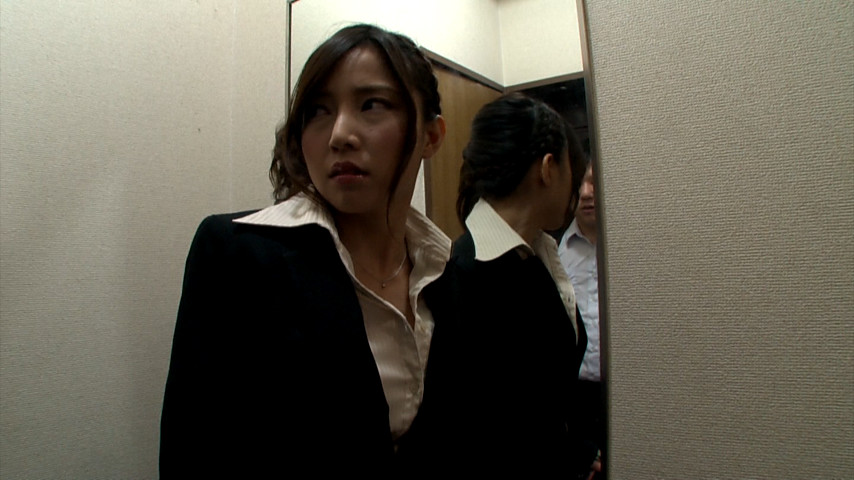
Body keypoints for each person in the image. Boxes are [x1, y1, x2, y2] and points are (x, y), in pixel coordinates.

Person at [159, 24, 448, 477]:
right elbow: (192, 453)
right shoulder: (237, 255)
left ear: (431, 136)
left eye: (372, 104)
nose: (340, 134)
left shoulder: (449, 273)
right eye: (318, 111)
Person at [402, 93, 597, 478]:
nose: (576, 189)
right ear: (548, 169)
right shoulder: (457, 280)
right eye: (573, 172)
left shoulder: (537, 252)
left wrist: (576, 450)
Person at [558, 160, 605, 477]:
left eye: (594, 182)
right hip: (573, 398)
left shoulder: (630, 248)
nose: (586, 193)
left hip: (623, 392)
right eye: (579, 184)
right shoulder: (553, 250)